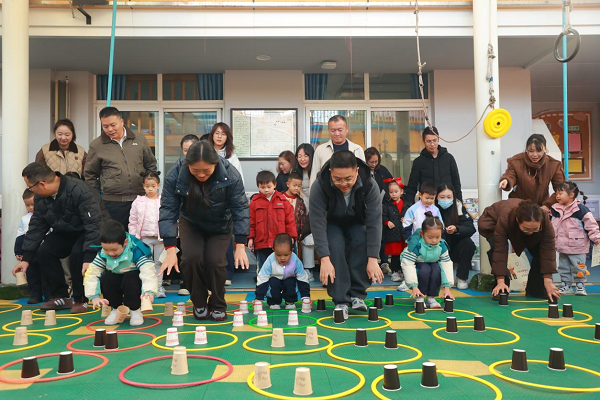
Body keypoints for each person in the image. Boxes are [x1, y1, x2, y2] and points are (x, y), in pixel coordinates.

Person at [159, 141, 250, 321]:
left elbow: (240, 208)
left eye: (206, 171)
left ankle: (218, 303)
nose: (201, 175)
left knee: (215, 261)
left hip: (221, 223)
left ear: (215, 163)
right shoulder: (176, 173)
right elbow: (168, 209)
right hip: (191, 222)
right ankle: (199, 302)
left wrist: (240, 244)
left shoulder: (230, 174)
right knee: (191, 259)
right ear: (187, 164)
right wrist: (170, 248)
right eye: (195, 171)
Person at [12, 162, 104, 314]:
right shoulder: (41, 198)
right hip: (65, 231)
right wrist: (26, 258)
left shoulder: (80, 190)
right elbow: (37, 226)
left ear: (41, 184)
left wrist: (89, 256)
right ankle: (60, 297)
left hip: (88, 231)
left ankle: (81, 299)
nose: (30, 190)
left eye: (30, 187)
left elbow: (94, 224)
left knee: (78, 253)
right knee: (45, 251)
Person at [309, 151, 383, 319]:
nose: (344, 184)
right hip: (331, 223)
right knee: (335, 246)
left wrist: (373, 258)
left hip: (357, 222)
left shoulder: (369, 184)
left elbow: (374, 222)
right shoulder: (319, 186)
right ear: (330, 173)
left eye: (349, 179)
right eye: (338, 179)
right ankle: (341, 299)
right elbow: (317, 223)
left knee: (361, 238)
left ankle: (357, 295)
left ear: (357, 171)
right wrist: (324, 258)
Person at [85, 106, 157, 230]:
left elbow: (151, 165)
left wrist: (149, 188)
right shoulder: (97, 145)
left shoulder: (139, 139)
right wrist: (97, 199)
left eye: (113, 125)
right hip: (112, 203)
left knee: (140, 236)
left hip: (140, 200)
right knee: (116, 237)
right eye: (105, 126)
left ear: (121, 121)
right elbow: (90, 175)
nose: (110, 129)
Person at [478, 199, 560, 301]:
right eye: (527, 229)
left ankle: (536, 289)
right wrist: (500, 281)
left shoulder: (545, 219)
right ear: (517, 220)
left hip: (519, 224)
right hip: (492, 222)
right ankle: (501, 287)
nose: (530, 232)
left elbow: (548, 250)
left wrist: (548, 280)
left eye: (535, 229)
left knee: (540, 251)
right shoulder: (505, 218)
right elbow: (500, 251)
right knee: (495, 247)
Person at [84, 220, 158, 326]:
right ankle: (116, 309)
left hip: (133, 280)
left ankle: (135, 310)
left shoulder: (136, 250)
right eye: (106, 249)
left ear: (125, 242)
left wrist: (149, 291)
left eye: (114, 250)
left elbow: (148, 271)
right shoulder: (103, 254)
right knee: (107, 278)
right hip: (116, 279)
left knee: (131, 277)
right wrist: (93, 296)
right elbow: (92, 273)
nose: (110, 253)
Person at [550, 182, 600, 296]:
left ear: (571, 195)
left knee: (579, 267)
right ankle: (566, 285)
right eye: (556, 193)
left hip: (578, 246)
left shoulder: (581, 210)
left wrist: (597, 238)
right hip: (562, 247)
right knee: (563, 267)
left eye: (560, 193)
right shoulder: (554, 209)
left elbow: (591, 226)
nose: (557, 196)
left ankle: (580, 285)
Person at [401, 212, 455, 308]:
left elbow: (446, 264)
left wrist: (447, 287)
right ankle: (420, 297)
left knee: (436, 269)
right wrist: (413, 286)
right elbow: (408, 264)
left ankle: (431, 298)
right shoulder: (415, 245)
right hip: (418, 265)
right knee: (425, 270)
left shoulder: (442, 245)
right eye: (430, 237)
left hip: (433, 263)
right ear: (422, 234)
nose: (434, 240)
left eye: (437, 237)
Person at [499, 133, 565, 211]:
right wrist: (506, 180)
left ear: (545, 149)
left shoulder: (553, 164)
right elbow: (510, 175)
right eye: (531, 151)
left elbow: (561, 189)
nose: (535, 155)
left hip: (541, 208)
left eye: (539, 151)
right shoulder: (516, 161)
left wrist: (548, 205)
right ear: (526, 150)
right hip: (518, 206)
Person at [249, 170, 297, 271]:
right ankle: (262, 280)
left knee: (281, 268)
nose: (266, 190)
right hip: (262, 243)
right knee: (263, 268)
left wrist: (291, 236)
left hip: (280, 243)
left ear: (275, 185)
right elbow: (251, 223)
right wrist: (250, 238)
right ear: (258, 187)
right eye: (262, 187)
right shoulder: (254, 203)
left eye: (269, 187)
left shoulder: (283, 201)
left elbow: (290, 221)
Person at [403, 126, 462, 207]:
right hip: (427, 204)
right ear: (423, 142)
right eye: (429, 141)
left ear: (438, 139)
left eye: (434, 140)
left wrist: (460, 203)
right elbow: (412, 186)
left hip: (447, 203)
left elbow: (456, 183)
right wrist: (407, 206)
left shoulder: (449, 158)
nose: (432, 144)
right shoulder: (418, 162)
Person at [128, 171, 165, 298]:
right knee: (146, 264)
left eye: (153, 186)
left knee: (160, 262)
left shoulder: (163, 200)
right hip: (144, 238)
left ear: (158, 185)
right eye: (147, 186)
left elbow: (170, 218)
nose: (150, 189)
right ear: (143, 186)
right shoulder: (138, 201)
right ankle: (148, 288)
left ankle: (159, 287)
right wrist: (133, 237)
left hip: (160, 238)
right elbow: (133, 221)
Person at [436, 183, 476, 290]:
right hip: (437, 246)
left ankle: (461, 277)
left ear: (453, 197)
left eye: (449, 197)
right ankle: (438, 277)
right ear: (436, 197)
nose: (445, 200)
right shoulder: (431, 208)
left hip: (454, 248)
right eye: (442, 197)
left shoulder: (459, 208)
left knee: (468, 244)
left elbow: (470, 228)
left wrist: (456, 229)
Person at [309, 115, 366, 191]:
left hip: (353, 193)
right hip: (326, 194)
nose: (337, 133)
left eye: (340, 130)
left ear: (347, 128)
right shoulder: (320, 150)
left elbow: (363, 176)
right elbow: (314, 176)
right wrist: (313, 194)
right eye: (333, 131)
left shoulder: (357, 149)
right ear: (329, 130)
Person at [255, 233, 311, 310]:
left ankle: (290, 301)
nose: (282, 258)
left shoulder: (296, 261)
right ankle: (274, 302)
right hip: (274, 281)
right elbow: (262, 278)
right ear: (273, 250)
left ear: (292, 251)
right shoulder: (270, 260)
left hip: (290, 280)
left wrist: (306, 297)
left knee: (290, 282)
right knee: (273, 282)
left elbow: (302, 279)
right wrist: (259, 298)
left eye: (286, 255)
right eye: (278, 255)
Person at [14, 189, 50, 304]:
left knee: (46, 274)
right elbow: (20, 234)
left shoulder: (47, 215)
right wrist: (18, 250)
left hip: (44, 250)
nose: (31, 207)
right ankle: (35, 295)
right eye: (27, 205)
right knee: (32, 274)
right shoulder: (24, 219)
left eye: (33, 204)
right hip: (30, 252)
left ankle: (49, 295)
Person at [366, 147, 394, 272]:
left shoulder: (382, 170)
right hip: (366, 209)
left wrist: (386, 201)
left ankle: (384, 261)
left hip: (382, 208)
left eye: (376, 161)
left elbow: (391, 185)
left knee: (381, 236)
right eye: (371, 162)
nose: (373, 164)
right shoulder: (362, 171)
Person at [294, 143, 317, 278]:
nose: (302, 159)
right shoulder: (295, 173)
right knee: (306, 237)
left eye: (305, 156)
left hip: (317, 209)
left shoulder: (317, 170)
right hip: (302, 211)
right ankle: (308, 269)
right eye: (299, 156)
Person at [382, 177, 407, 286]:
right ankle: (395, 271)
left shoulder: (406, 204)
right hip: (393, 233)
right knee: (395, 254)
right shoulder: (387, 205)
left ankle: (404, 272)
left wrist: (406, 219)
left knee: (405, 253)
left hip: (404, 234)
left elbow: (411, 215)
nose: (393, 194)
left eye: (396, 191)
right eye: (391, 192)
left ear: (401, 191)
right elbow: (383, 216)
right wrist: (387, 222)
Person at [282, 171, 308, 251]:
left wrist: (300, 232)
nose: (297, 188)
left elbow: (302, 219)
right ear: (288, 184)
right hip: (281, 233)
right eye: (294, 185)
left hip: (294, 235)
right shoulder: (280, 198)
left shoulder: (300, 202)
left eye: (299, 186)